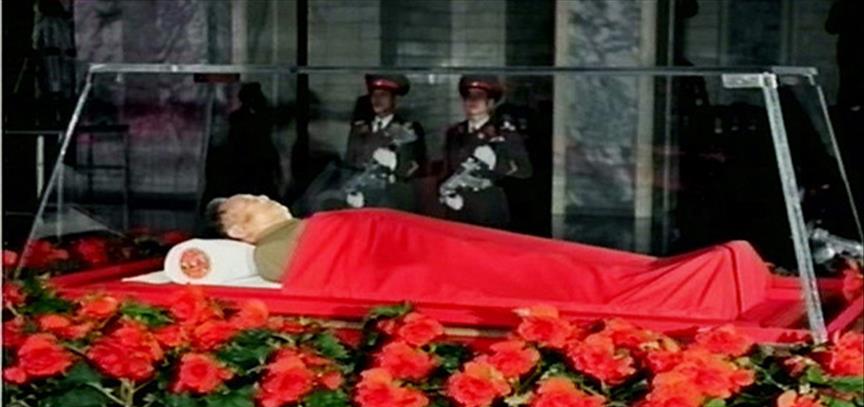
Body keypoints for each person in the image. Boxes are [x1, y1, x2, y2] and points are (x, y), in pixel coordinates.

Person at [206, 194, 771, 323]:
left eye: (258, 194)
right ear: (238, 232)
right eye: (249, 204)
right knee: (535, 271)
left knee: (543, 258)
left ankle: (652, 277)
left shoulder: (300, 228)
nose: (264, 198)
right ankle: (664, 286)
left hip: (422, 241)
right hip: (418, 259)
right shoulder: (279, 249)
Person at [441, 75, 532, 229]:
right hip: (456, 204)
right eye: (468, 96)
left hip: (488, 203)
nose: (472, 101)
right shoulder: (455, 132)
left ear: (490, 102)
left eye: (479, 97)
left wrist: (495, 162)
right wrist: (446, 195)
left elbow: (525, 170)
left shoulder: (504, 134)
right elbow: (447, 170)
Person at [343, 74, 426, 211]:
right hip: (360, 200)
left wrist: (394, 163)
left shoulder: (408, 129)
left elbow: (418, 167)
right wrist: (350, 191)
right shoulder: (359, 129)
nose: (377, 100)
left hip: (392, 201)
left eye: (383, 95)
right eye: (374, 95)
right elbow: (349, 164)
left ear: (394, 99)